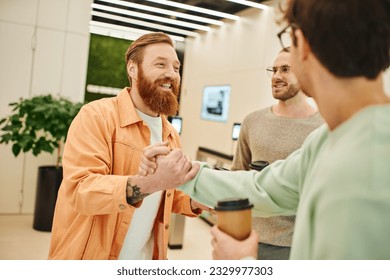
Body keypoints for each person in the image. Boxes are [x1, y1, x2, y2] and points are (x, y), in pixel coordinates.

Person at [142, 0, 390, 259]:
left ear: (301, 44)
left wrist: (243, 264)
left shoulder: (368, 164)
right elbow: (262, 189)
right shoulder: (326, 141)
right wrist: (179, 173)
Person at [48, 32, 206, 260]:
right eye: (160, 64)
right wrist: (149, 182)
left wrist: (202, 198)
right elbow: (82, 190)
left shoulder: (169, 134)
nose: (171, 74)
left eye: (176, 67)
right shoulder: (96, 116)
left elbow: (167, 195)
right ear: (133, 69)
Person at [231, 49, 323, 260]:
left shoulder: (322, 127)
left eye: (285, 70)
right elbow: (237, 176)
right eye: (273, 70)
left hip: (297, 245)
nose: (276, 76)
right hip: (249, 239)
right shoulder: (252, 121)